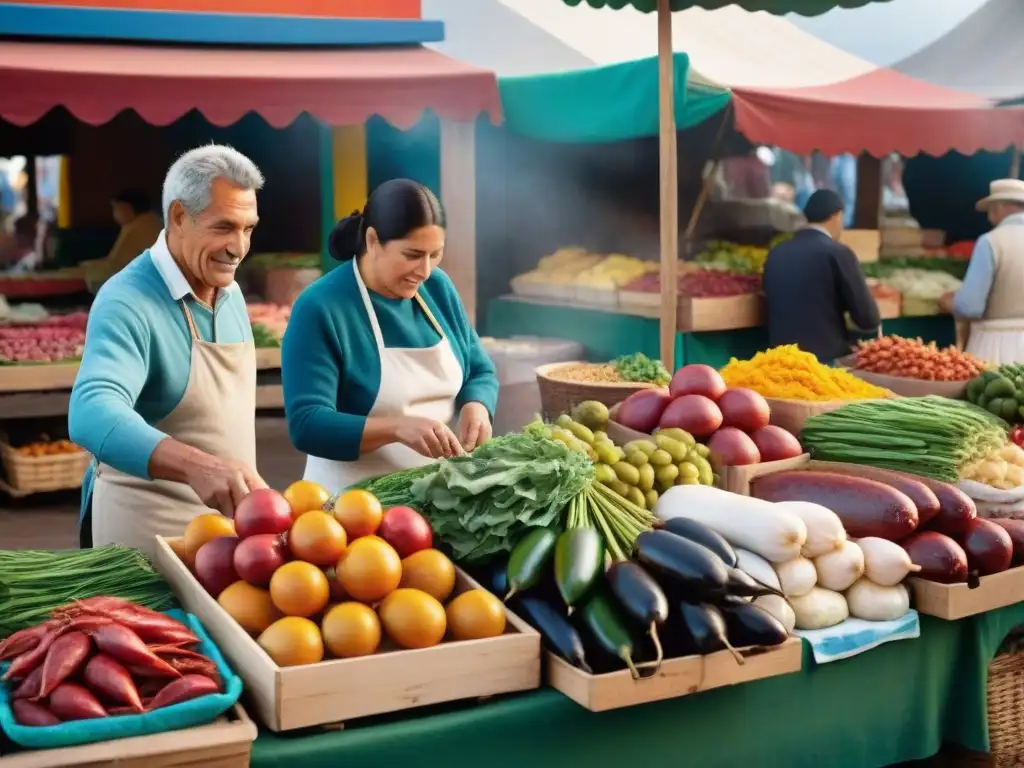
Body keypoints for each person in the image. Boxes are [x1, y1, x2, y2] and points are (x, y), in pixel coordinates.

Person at [69, 145, 267, 554]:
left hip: (224, 542)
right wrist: (199, 466)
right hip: (148, 542)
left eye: (248, 228)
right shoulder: (127, 299)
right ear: (179, 217)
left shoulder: (230, 294)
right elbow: (91, 411)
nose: (239, 247)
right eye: (224, 227)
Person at [283, 179, 498, 494]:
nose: (424, 270)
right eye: (412, 254)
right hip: (347, 509)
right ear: (372, 240)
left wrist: (476, 406)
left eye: (435, 254)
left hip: (434, 498)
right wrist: (398, 427)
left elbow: (479, 369)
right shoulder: (321, 307)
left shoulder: (437, 288)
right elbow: (307, 424)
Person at [762, 189, 880, 363]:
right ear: (837, 215)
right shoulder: (837, 252)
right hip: (824, 362)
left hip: (780, 360)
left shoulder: (776, 252)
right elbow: (867, 319)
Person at [939, 179, 1024, 364]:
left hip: (997, 346)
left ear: (998, 207)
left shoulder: (991, 242)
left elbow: (970, 307)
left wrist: (950, 302)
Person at [83, 188, 163, 289]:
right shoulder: (152, 219)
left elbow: (116, 265)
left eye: (116, 208)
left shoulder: (136, 228)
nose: (115, 213)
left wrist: (87, 269)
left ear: (127, 208)